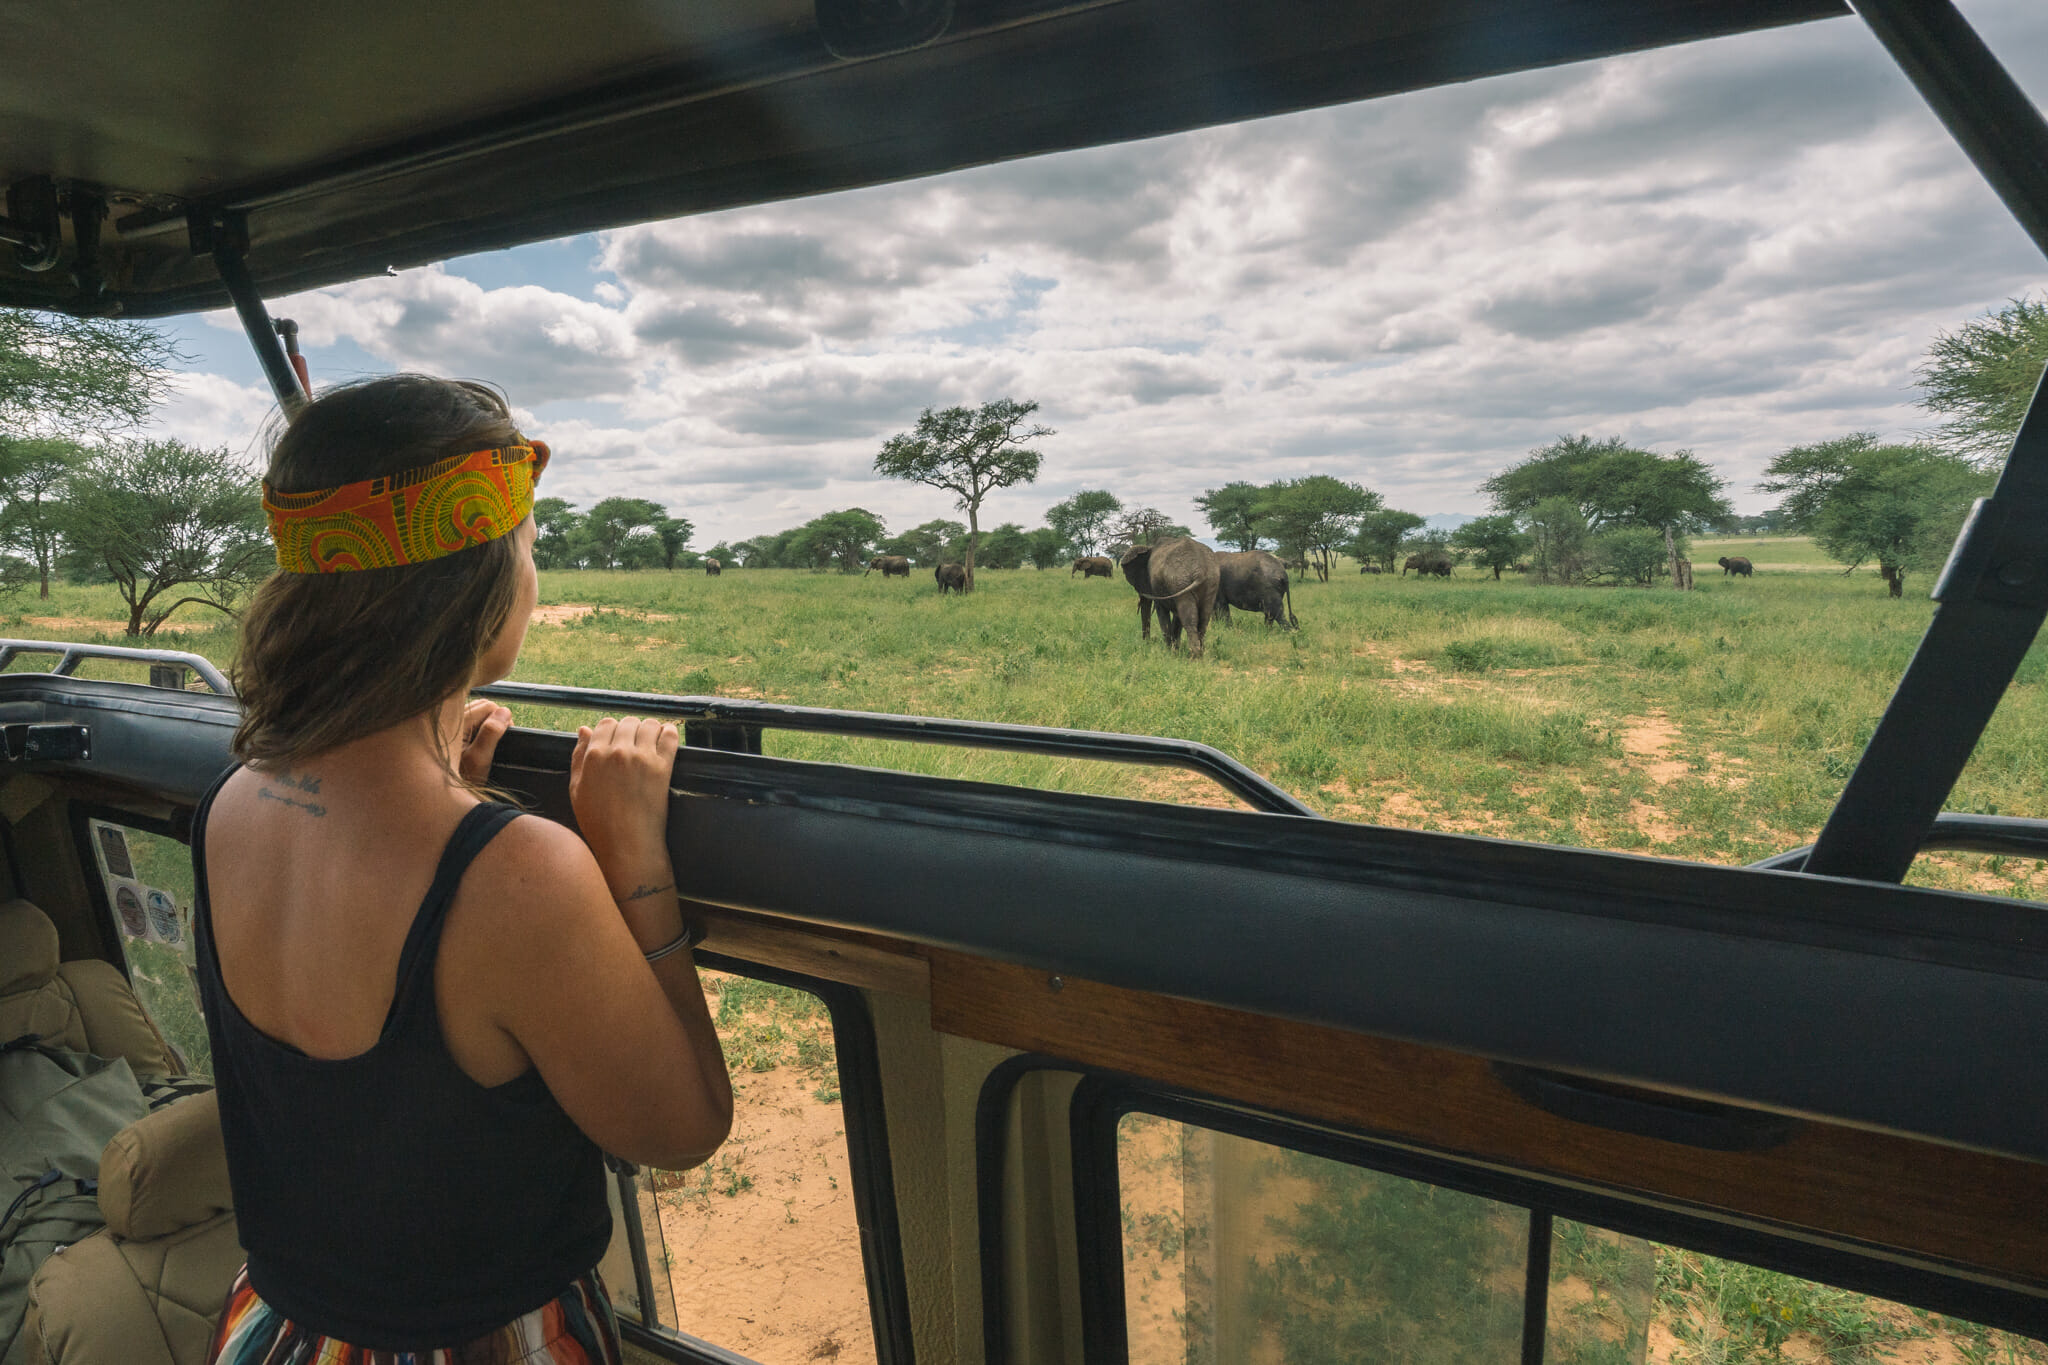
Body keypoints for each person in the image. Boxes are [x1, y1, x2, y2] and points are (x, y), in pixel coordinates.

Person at [192, 374, 733, 1364]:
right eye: (527, 550)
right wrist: (632, 863)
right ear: (476, 587)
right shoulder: (513, 874)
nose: (532, 576)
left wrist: (445, 776)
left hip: (277, 1327)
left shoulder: (235, 799)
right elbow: (679, 1127)